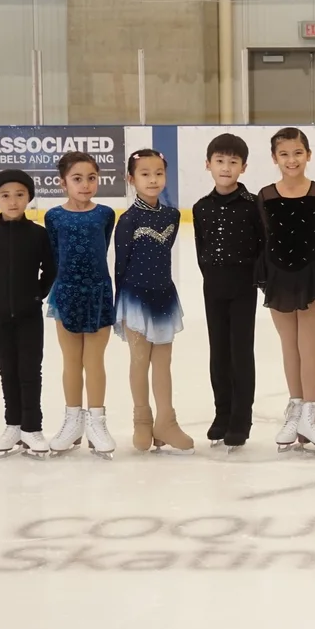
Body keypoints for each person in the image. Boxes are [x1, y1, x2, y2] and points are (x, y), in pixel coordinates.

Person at [258, 128, 315, 454]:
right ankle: (295, 410)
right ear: (274, 158)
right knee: (289, 345)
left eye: (298, 153)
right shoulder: (265, 195)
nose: (292, 160)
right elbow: (264, 238)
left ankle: (312, 415)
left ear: (308, 155)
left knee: (309, 344)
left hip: (310, 275)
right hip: (278, 275)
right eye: (284, 154)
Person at [114, 150, 192, 454]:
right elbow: (121, 265)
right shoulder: (128, 220)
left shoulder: (172, 216)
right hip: (135, 299)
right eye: (145, 174)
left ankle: (166, 421)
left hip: (163, 296)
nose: (153, 179)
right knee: (139, 360)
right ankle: (142, 421)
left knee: (163, 362)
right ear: (131, 179)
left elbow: (166, 251)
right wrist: (121, 306)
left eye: (159, 173)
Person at [0, 169, 54, 457]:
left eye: (19, 195)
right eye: (5, 195)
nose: (13, 201)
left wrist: (36, 294)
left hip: (29, 314)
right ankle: (13, 424)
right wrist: (0, 295)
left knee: (30, 370)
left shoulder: (38, 235)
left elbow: (50, 269)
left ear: (28, 198)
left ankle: (32, 427)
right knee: (7, 370)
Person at [193, 133, 263, 451]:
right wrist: (211, 276)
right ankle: (222, 413)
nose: (225, 167)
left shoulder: (253, 205)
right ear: (208, 164)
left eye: (233, 162)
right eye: (219, 161)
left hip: (244, 286)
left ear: (243, 167)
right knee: (218, 352)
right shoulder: (201, 207)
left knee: (241, 352)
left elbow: (261, 245)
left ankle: (240, 419)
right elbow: (201, 248)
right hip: (214, 286)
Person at [46, 151, 117, 459]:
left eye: (91, 178)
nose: (85, 185)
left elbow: (104, 244)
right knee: (71, 361)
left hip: (98, 292)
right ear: (63, 183)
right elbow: (54, 254)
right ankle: (73, 420)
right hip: (66, 292)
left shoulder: (106, 214)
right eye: (77, 179)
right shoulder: (54, 216)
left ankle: (97, 422)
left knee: (95, 360)